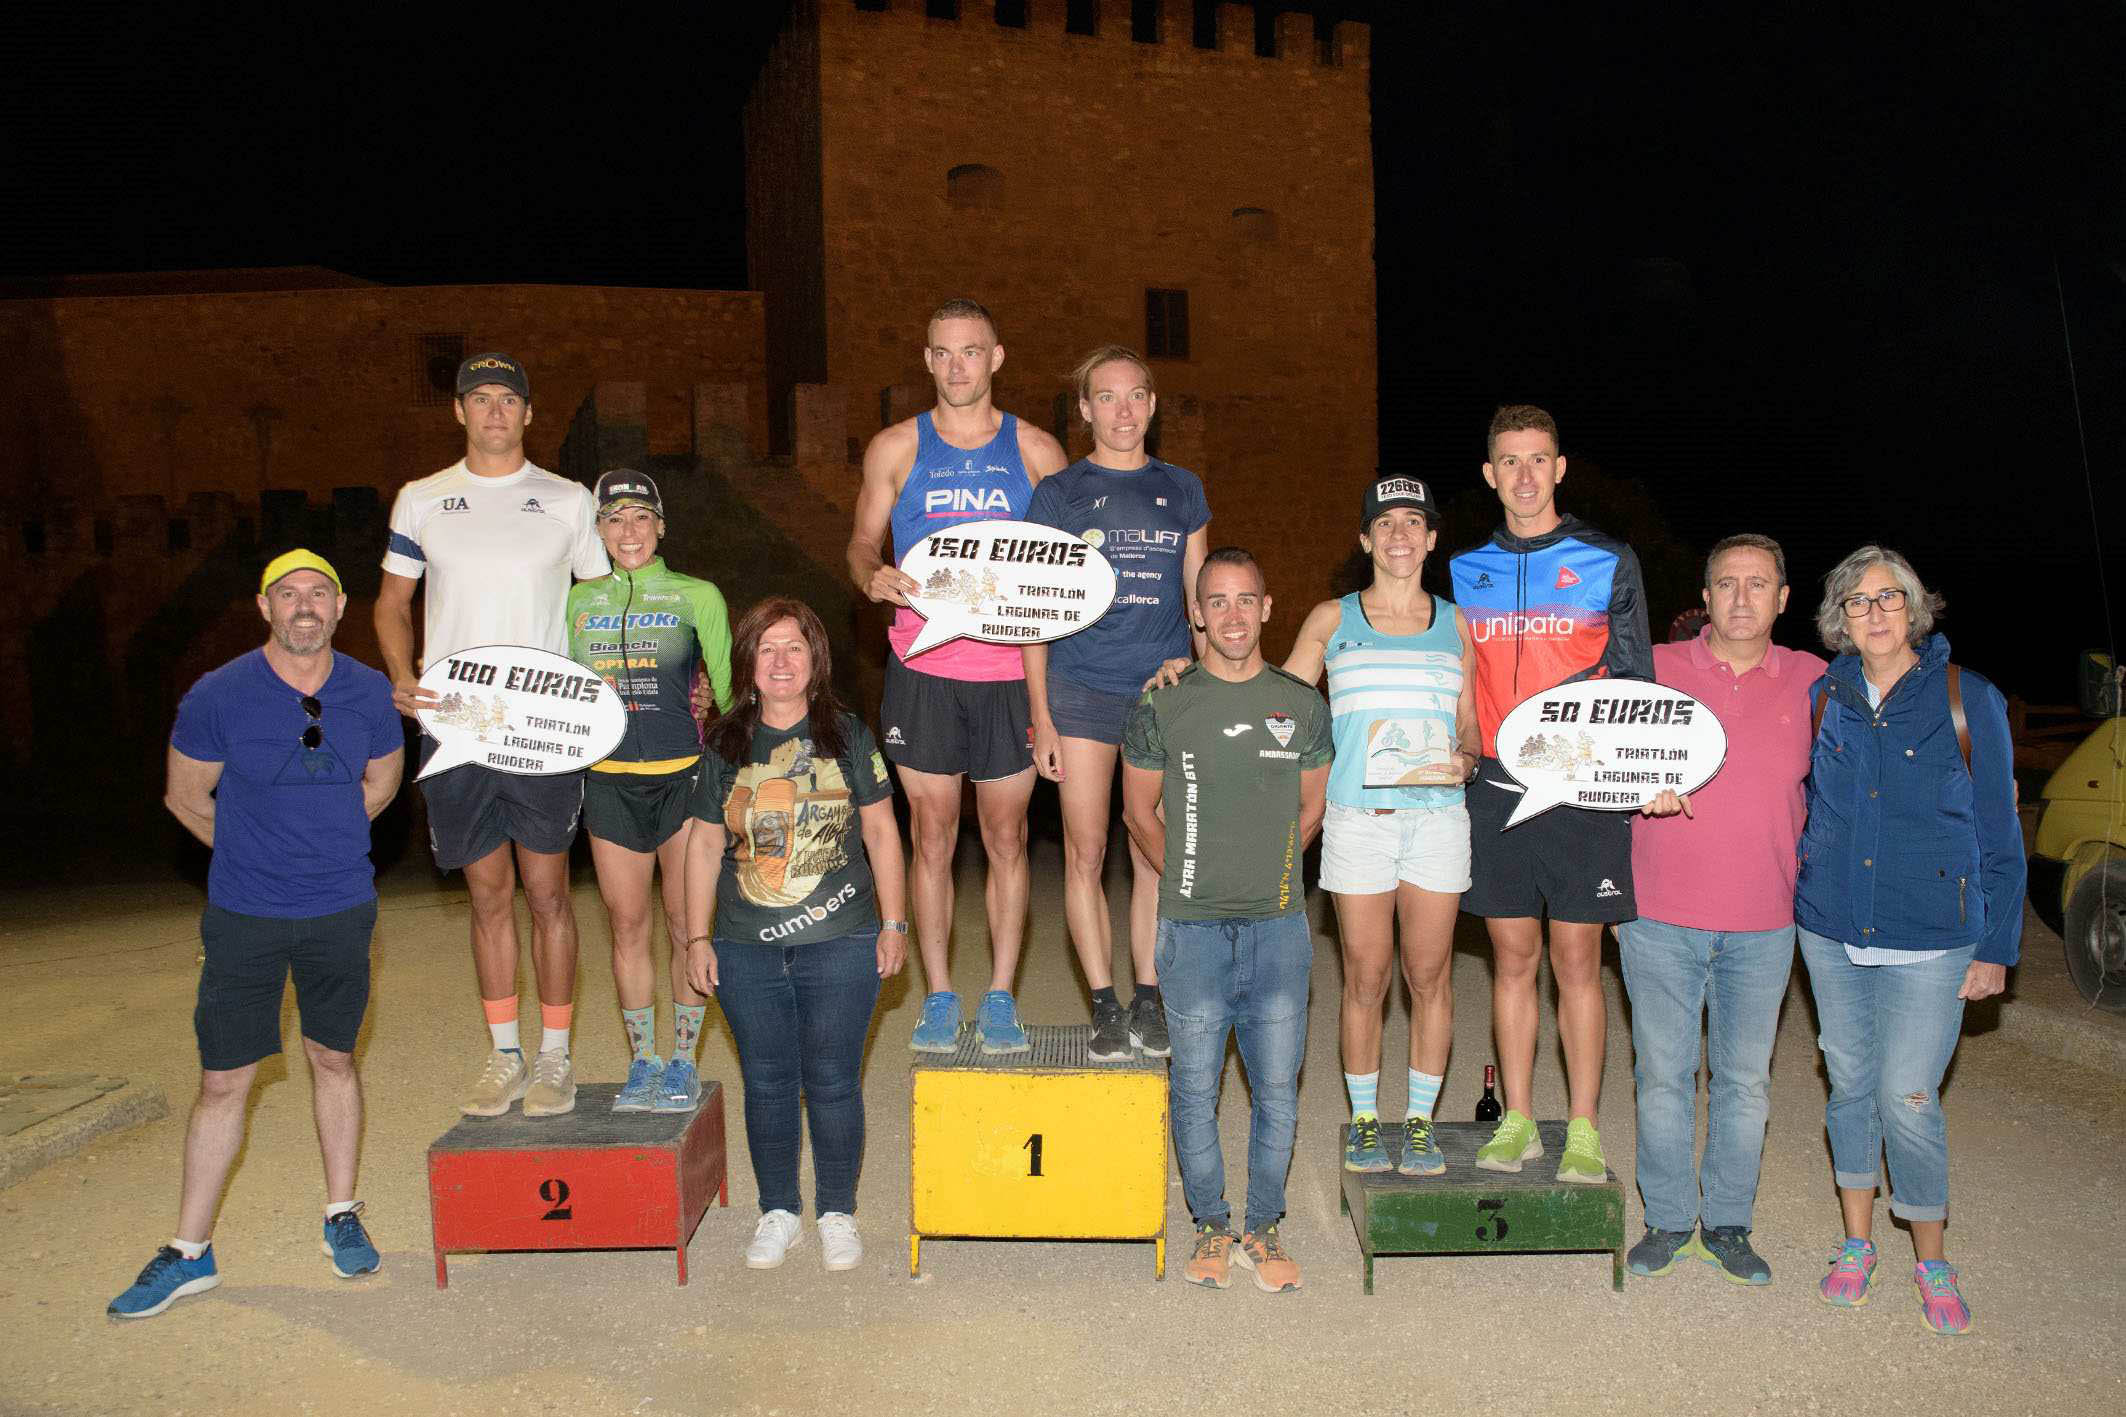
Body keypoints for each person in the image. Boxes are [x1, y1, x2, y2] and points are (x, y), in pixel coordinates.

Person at [109, 551, 403, 1318]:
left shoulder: (368, 690)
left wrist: (325, 843)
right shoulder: (220, 692)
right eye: (287, 594)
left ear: (340, 606)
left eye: (317, 593)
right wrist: (257, 849)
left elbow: (382, 781)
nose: (303, 606)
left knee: (333, 1058)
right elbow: (184, 795)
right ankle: (188, 1250)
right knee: (222, 1079)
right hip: (246, 912)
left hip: (341, 906)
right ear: (263, 606)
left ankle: (342, 1213)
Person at [376, 352, 609, 1119]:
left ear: (530, 413)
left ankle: (554, 1058)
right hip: (457, 725)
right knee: (486, 892)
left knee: (546, 891)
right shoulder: (422, 499)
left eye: (509, 398)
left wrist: (610, 682)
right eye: (480, 397)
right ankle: (503, 1053)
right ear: (459, 411)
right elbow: (389, 603)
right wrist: (400, 669)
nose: (495, 410)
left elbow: (597, 607)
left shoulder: (569, 501)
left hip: (544, 724)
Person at [1794, 545, 2020, 1335]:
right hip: (1830, 929)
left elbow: (2000, 833)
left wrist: (1996, 945)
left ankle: (1932, 1255)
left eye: (1891, 597)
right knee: (1851, 1087)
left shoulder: (1967, 696)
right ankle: (1857, 1244)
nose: (1877, 611)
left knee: (1909, 1095)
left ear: (1916, 607)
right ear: (1840, 620)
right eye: (1859, 601)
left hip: (1934, 936)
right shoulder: (1826, 696)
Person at [846, 298, 1068, 1055]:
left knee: (1007, 836)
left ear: (997, 357)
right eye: (942, 352)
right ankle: (940, 995)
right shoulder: (895, 449)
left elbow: (1068, 578)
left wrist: (1051, 699)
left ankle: (1001, 994)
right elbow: (859, 543)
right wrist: (870, 574)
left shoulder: (1037, 451)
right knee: (932, 835)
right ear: (927, 358)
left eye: (971, 351)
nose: (957, 366)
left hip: (1010, 674)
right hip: (921, 668)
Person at [1448, 404, 1651, 1183]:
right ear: (1490, 473)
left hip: (1583, 782)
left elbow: (1636, 680)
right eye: (1510, 460)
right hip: (1496, 784)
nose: (1525, 475)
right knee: (1511, 956)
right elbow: (1456, 682)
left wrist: (1645, 772)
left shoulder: (1607, 558)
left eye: (1539, 459)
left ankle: (1589, 1127)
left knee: (1577, 957)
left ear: (1560, 467)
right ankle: (1522, 1121)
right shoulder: (1467, 569)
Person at [1122, 548, 1332, 1292]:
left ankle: (1264, 1224)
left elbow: (1312, 809)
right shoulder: (1162, 703)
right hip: (1191, 930)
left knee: (1277, 1088)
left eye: (1247, 600)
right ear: (1197, 615)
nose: (1233, 614)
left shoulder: (1302, 703)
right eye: (1218, 601)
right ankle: (1212, 1224)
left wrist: (1269, 867)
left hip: (1278, 926)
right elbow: (1136, 809)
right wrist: (1186, 878)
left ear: (1267, 608)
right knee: (1196, 1085)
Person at [1621, 535, 1826, 1285]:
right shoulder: (1653, 671)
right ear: (1703, 597)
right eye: (1726, 584)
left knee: (1745, 1081)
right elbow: (1588, 756)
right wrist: (1627, 790)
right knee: (1664, 1074)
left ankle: (1730, 1221)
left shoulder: (1817, 682)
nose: (1742, 598)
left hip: (1767, 920)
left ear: (1783, 597)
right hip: (1661, 914)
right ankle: (1669, 1217)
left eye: (1758, 584)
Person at [682, 599, 908, 1271]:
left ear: (815, 662)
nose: (780, 661)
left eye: (794, 648)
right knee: (769, 1080)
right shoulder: (725, 742)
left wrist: (894, 921)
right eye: (767, 648)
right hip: (746, 943)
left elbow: (882, 832)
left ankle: (838, 1211)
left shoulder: (846, 733)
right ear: (749, 663)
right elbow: (700, 845)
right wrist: (697, 939)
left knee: (834, 1079)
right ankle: (778, 1210)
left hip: (841, 935)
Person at [1284, 475, 1477, 1177]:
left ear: (1430, 538)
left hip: (1435, 823)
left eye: (1413, 522)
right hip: (1357, 819)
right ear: (1366, 539)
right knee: (1365, 974)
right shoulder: (1331, 620)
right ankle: (1366, 1119)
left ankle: (1419, 1123)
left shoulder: (1456, 625)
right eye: (1385, 523)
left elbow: (1470, 726)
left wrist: (1466, 760)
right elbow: (1286, 706)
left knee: (1429, 974)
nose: (1400, 534)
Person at [1024, 345, 1209, 1061]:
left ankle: (1150, 997)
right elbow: (1032, 612)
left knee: (1151, 850)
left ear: (1153, 405)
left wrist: (1194, 669)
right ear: (1084, 409)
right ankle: (1104, 1003)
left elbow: (1198, 601)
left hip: (1159, 696)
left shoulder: (1183, 488)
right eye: (1107, 397)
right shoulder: (1060, 494)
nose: (1123, 410)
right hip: (1079, 688)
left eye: (1136, 395)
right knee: (1086, 849)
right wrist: (1039, 712)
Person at [567, 470, 733, 1112]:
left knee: (686, 923)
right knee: (627, 923)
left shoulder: (699, 596)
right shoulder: (578, 602)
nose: (627, 531)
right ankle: (644, 1062)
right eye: (614, 520)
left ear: (660, 526)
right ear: (599, 531)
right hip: (608, 782)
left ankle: (684, 1062)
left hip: (684, 779)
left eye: (640, 518)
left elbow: (728, 689)